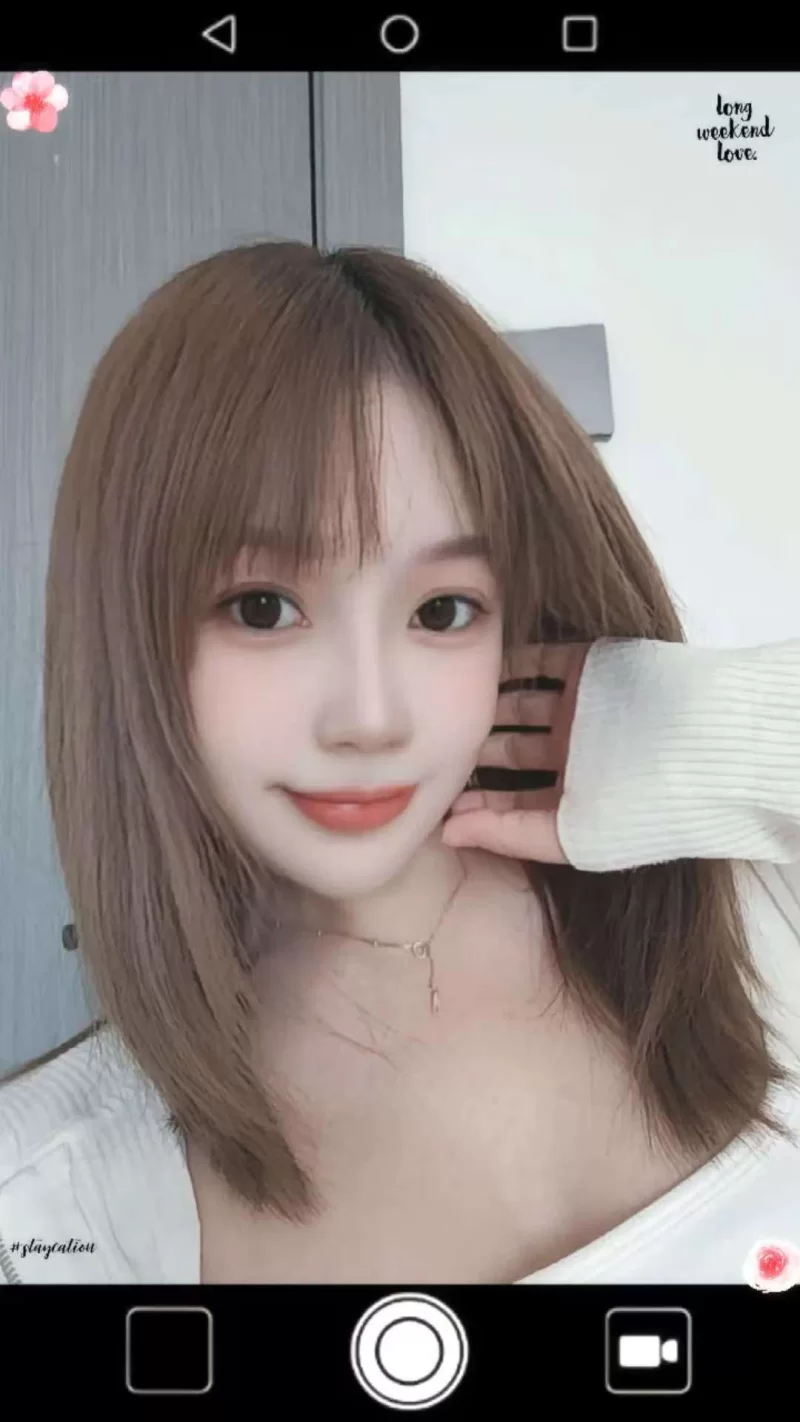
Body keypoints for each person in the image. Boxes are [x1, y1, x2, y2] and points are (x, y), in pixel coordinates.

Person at [0, 241, 798, 1288]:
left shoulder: (740, 906)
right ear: (133, 636)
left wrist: (708, 728)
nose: (370, 719)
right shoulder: (51, 1207)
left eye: (442, 610)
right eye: (263, 608)